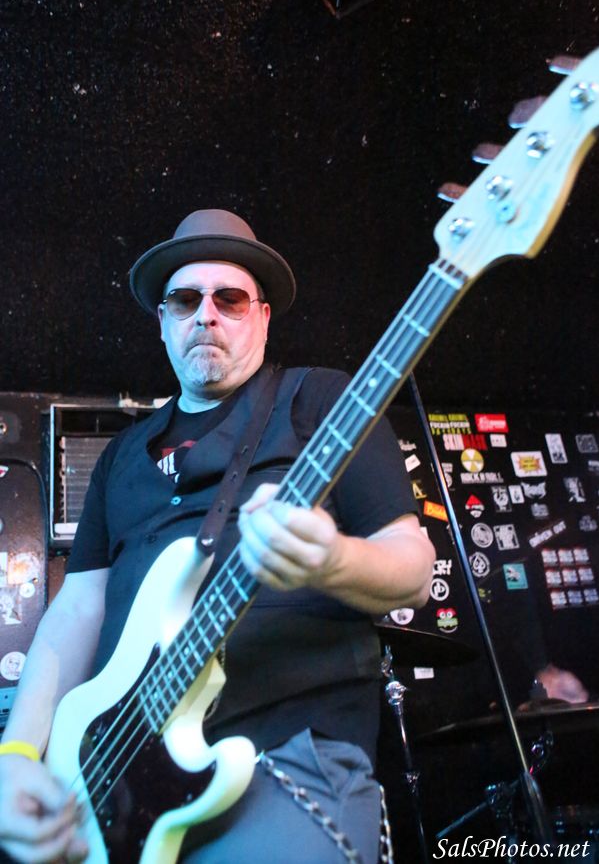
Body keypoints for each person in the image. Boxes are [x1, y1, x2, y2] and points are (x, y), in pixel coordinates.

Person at [0, 209, 434, 864]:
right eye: (186, 300)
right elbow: (78, 609)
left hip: (286, 756)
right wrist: (15, 753)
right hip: (115, 774)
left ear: (262, 317)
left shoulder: (322, 402)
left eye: (229, 299)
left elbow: (414, 568)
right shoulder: (122, 457)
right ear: (164, 321)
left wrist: (334, 560)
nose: (206, 315)